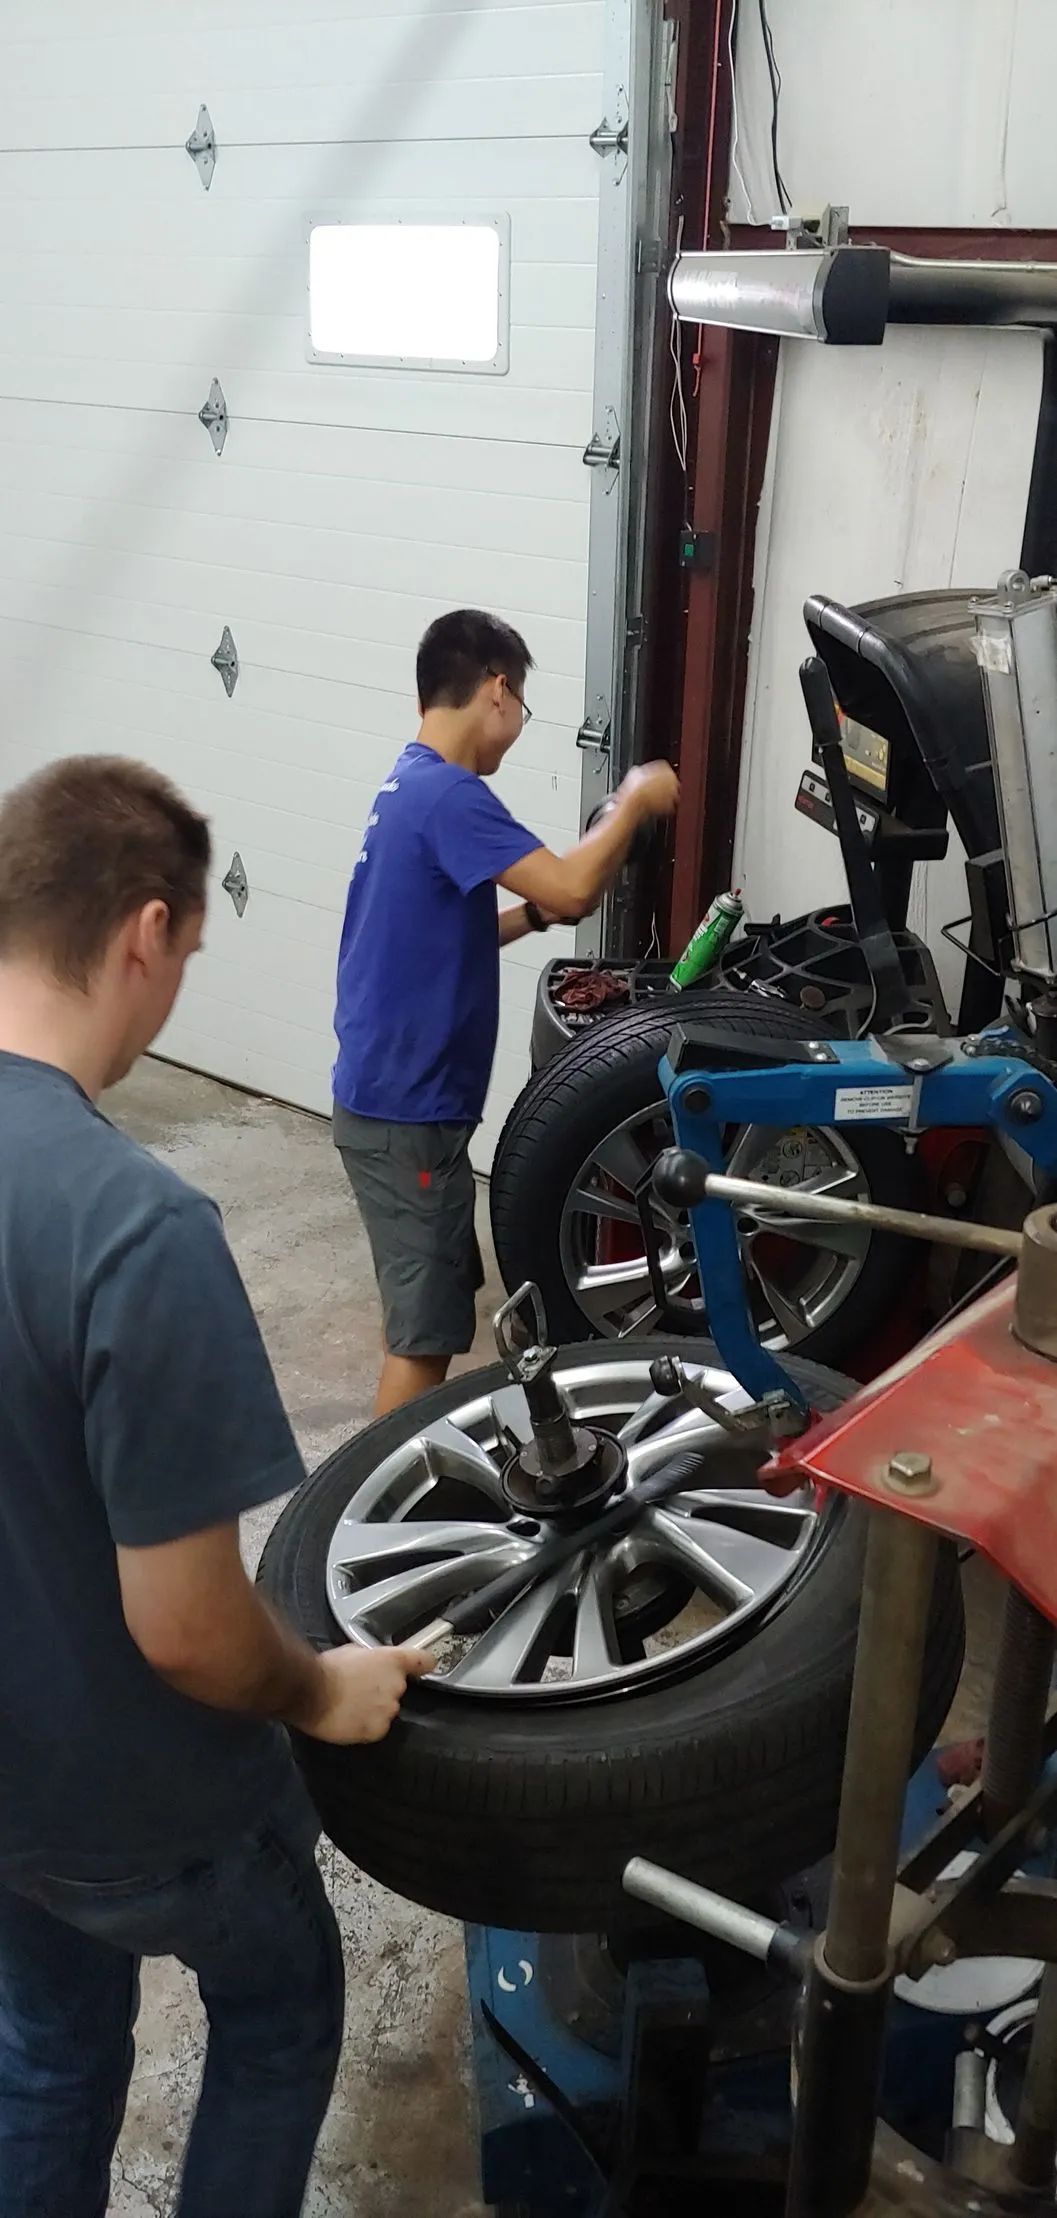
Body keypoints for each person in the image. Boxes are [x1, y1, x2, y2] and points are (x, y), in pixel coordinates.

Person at [0, 756, 432, 2218]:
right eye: (185, 954)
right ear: (142, 931)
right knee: (278, 2013)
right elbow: (187, 1626)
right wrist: (322, 1691)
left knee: (50, 2047)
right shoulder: (133, 1224)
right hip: (147, 1806)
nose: (174, 988)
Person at [333, 607, 680, 1416]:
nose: (516, 725)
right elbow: (570, 883)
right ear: (496, 690)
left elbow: (431, 933)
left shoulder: (407, 786)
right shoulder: (449, 796)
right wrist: (631, 799)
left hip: (394, 1101)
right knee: (420, 1341)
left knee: (439, 1316)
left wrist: (527, 918)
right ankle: (376, 1513)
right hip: (404, 1113)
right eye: (521, 706)